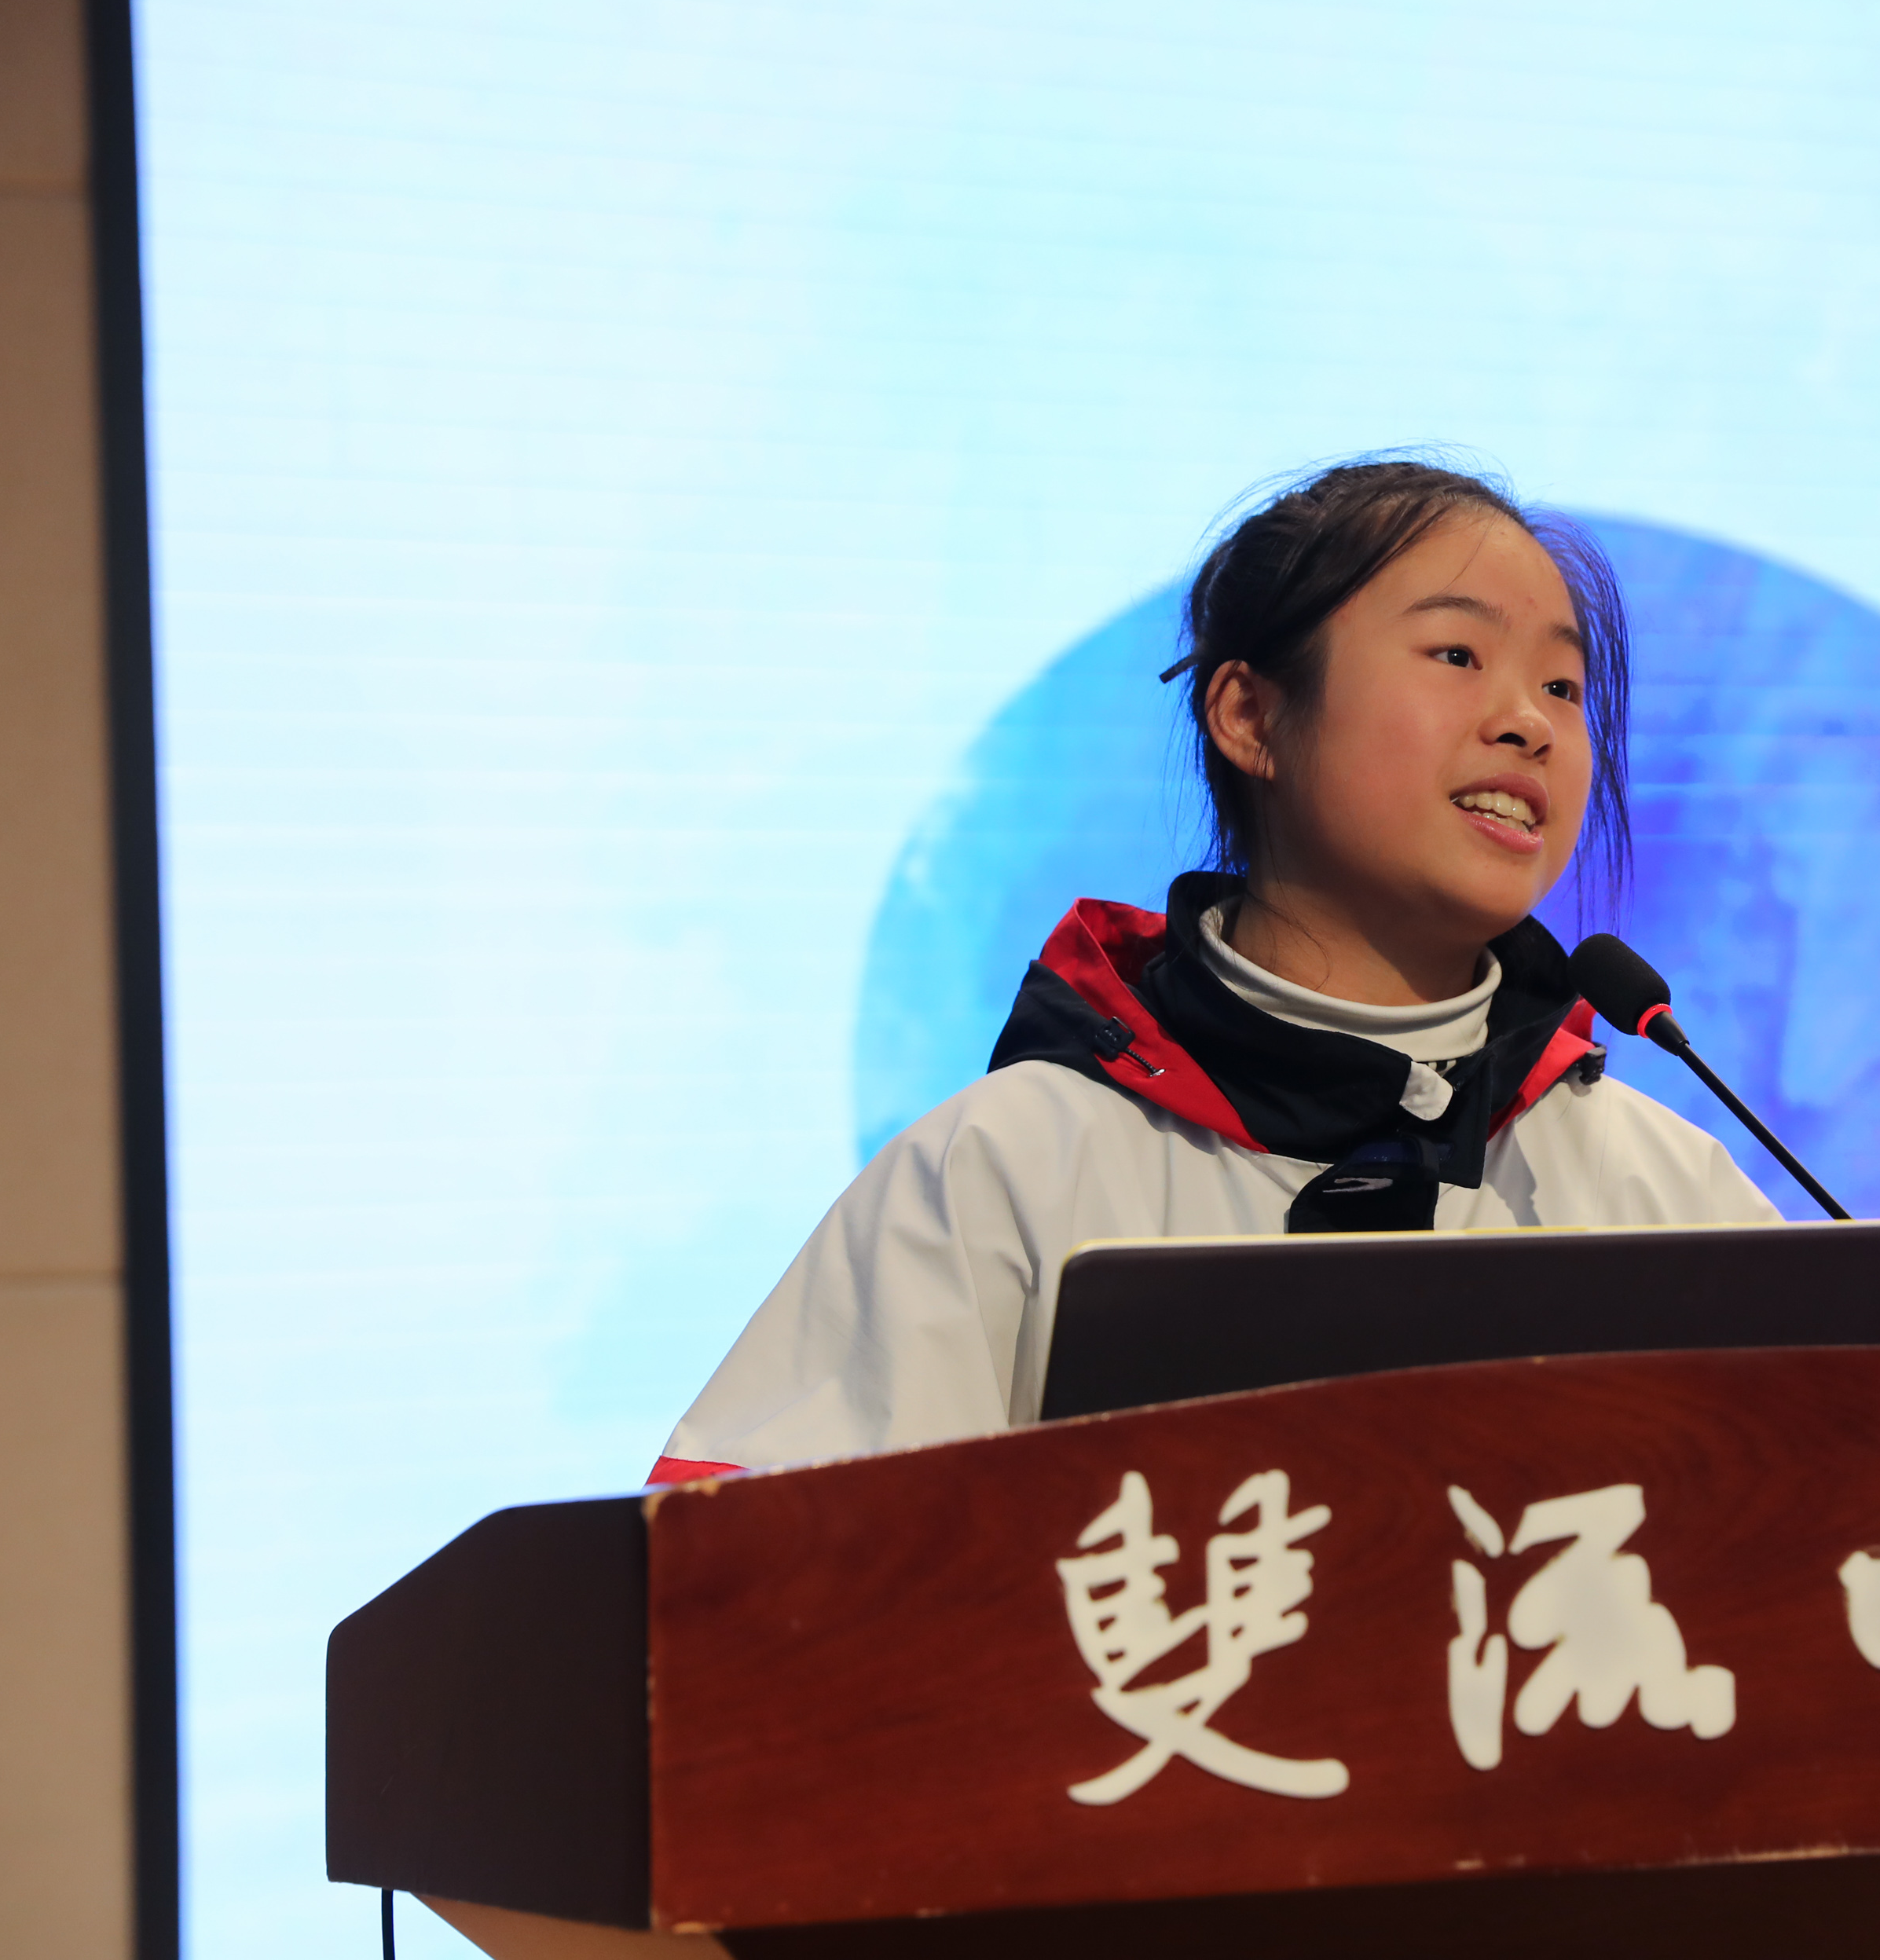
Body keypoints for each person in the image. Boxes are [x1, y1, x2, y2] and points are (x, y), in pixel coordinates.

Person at [650, 460, 1777, 1479]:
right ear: (1249, 715)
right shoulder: (1010, 1168)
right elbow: (755, 1583)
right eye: (1457, 655)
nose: (1530, 724)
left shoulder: (1664, 1192)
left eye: (1565, 688)